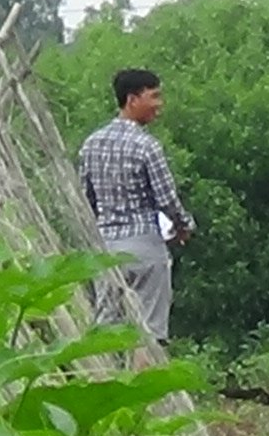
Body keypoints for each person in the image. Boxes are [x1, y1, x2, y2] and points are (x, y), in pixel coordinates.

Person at [79, 68, 195, 347]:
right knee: (149, 334)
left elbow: (86, 200)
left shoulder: (90, 145)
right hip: (144, 244)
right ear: (132, 99)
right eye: (153, 96)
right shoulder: (147, 146)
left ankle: (105, 384)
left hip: (106, 247)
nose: (159, 104)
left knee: (107, 329)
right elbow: (166, 199)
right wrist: (183, 225)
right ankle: (147, 387)